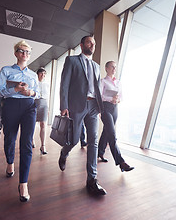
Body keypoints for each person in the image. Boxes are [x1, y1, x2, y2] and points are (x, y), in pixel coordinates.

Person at [59, 35, 106, 195]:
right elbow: (64, 83)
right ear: (82, 45)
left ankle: (92, 180)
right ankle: (64, 153)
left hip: (93, 106)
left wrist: (99, 107)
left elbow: (98, 88)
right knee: (73, 139)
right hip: (76, 105)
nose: (92, 45)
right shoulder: (72, 61)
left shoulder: (97, 66)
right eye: (89, 42)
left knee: (93, 141)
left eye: (94, 43)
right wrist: (64, 105)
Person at [0, 40, 39, 202]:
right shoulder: (6, 70)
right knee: (10, 139)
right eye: (22, 51)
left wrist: (30, 93)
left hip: (29, 106)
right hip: (11, 106)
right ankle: (9, 161)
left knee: (27, 143)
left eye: (28, 52)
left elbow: (38, 93)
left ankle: (23, 184)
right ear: (16, 53)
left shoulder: (33, 74)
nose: (25, 54)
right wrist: (16, 89)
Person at [98, 61, 134, 172]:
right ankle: (121, 162)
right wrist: (110, 99)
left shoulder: (118, 82)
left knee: (106, 132)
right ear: (106, 68)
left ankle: (99, 152)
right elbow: (99, 96)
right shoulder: (103, 81)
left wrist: (117, 100)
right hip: (105, 108)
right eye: (112, 67)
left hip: (114, 109)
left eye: (115, 67)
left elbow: (121, 97)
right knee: (112, 134)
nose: (114, 69)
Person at [34, 67, 49, 155]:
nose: (43, 75)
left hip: (44, 104)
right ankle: (31, 140)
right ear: (38, 74)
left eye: (44, 74)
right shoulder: (34, 83)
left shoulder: (47, 84)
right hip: (35, 103)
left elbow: (48, 96)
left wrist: (48, 107)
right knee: (33, 123)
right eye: (41, 73)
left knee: (43, 124)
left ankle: (43, 145)